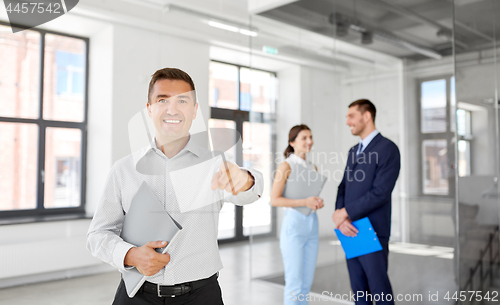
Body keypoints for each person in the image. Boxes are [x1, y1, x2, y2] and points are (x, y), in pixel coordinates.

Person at [87, 68, 263, 305]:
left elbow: (251, 192)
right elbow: (98, 235)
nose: (172, 109)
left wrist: (246, 179)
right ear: (149, 109)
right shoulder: (124, 169)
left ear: (194, 110)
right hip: (137, 295)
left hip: (201, 296)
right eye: (162, 100)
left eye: (182, 100)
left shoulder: (216, 166)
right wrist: (130, 255)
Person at [332, 99, 400, 305]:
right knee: (359, 291)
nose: (347, 122)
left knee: (379, 291)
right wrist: (340, 216)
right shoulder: (354, 151)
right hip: (350, 229)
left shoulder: (388, 148)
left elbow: (381, 192)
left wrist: (345, 212)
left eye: (351, 116)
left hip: (372, 229)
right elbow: (343, 187)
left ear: (367, 116)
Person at [271, 124, 324, 305]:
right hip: (294, 226)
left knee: (306, 284)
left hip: (312, 225)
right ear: (292, 142)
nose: (309, 141)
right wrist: (304, 202)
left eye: (310, 137)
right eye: (304, 138)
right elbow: (274, 200)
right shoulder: (286, 166)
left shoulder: (313, 167)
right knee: (294, 283)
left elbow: (310, 197)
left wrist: (316, 202)